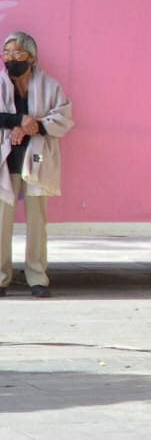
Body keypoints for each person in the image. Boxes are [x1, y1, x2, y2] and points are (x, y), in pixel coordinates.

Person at [0, 32, 72, 299]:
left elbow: (63, 118)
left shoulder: (49, 86)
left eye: (17, 53)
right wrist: (19, 120)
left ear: (31, 56)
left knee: (37, 222)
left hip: (37, 158)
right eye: (6, 53)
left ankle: (37, 278)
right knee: (1, 222)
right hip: (6, 159)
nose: (11, 58)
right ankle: (1, 278)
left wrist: (34, 127)